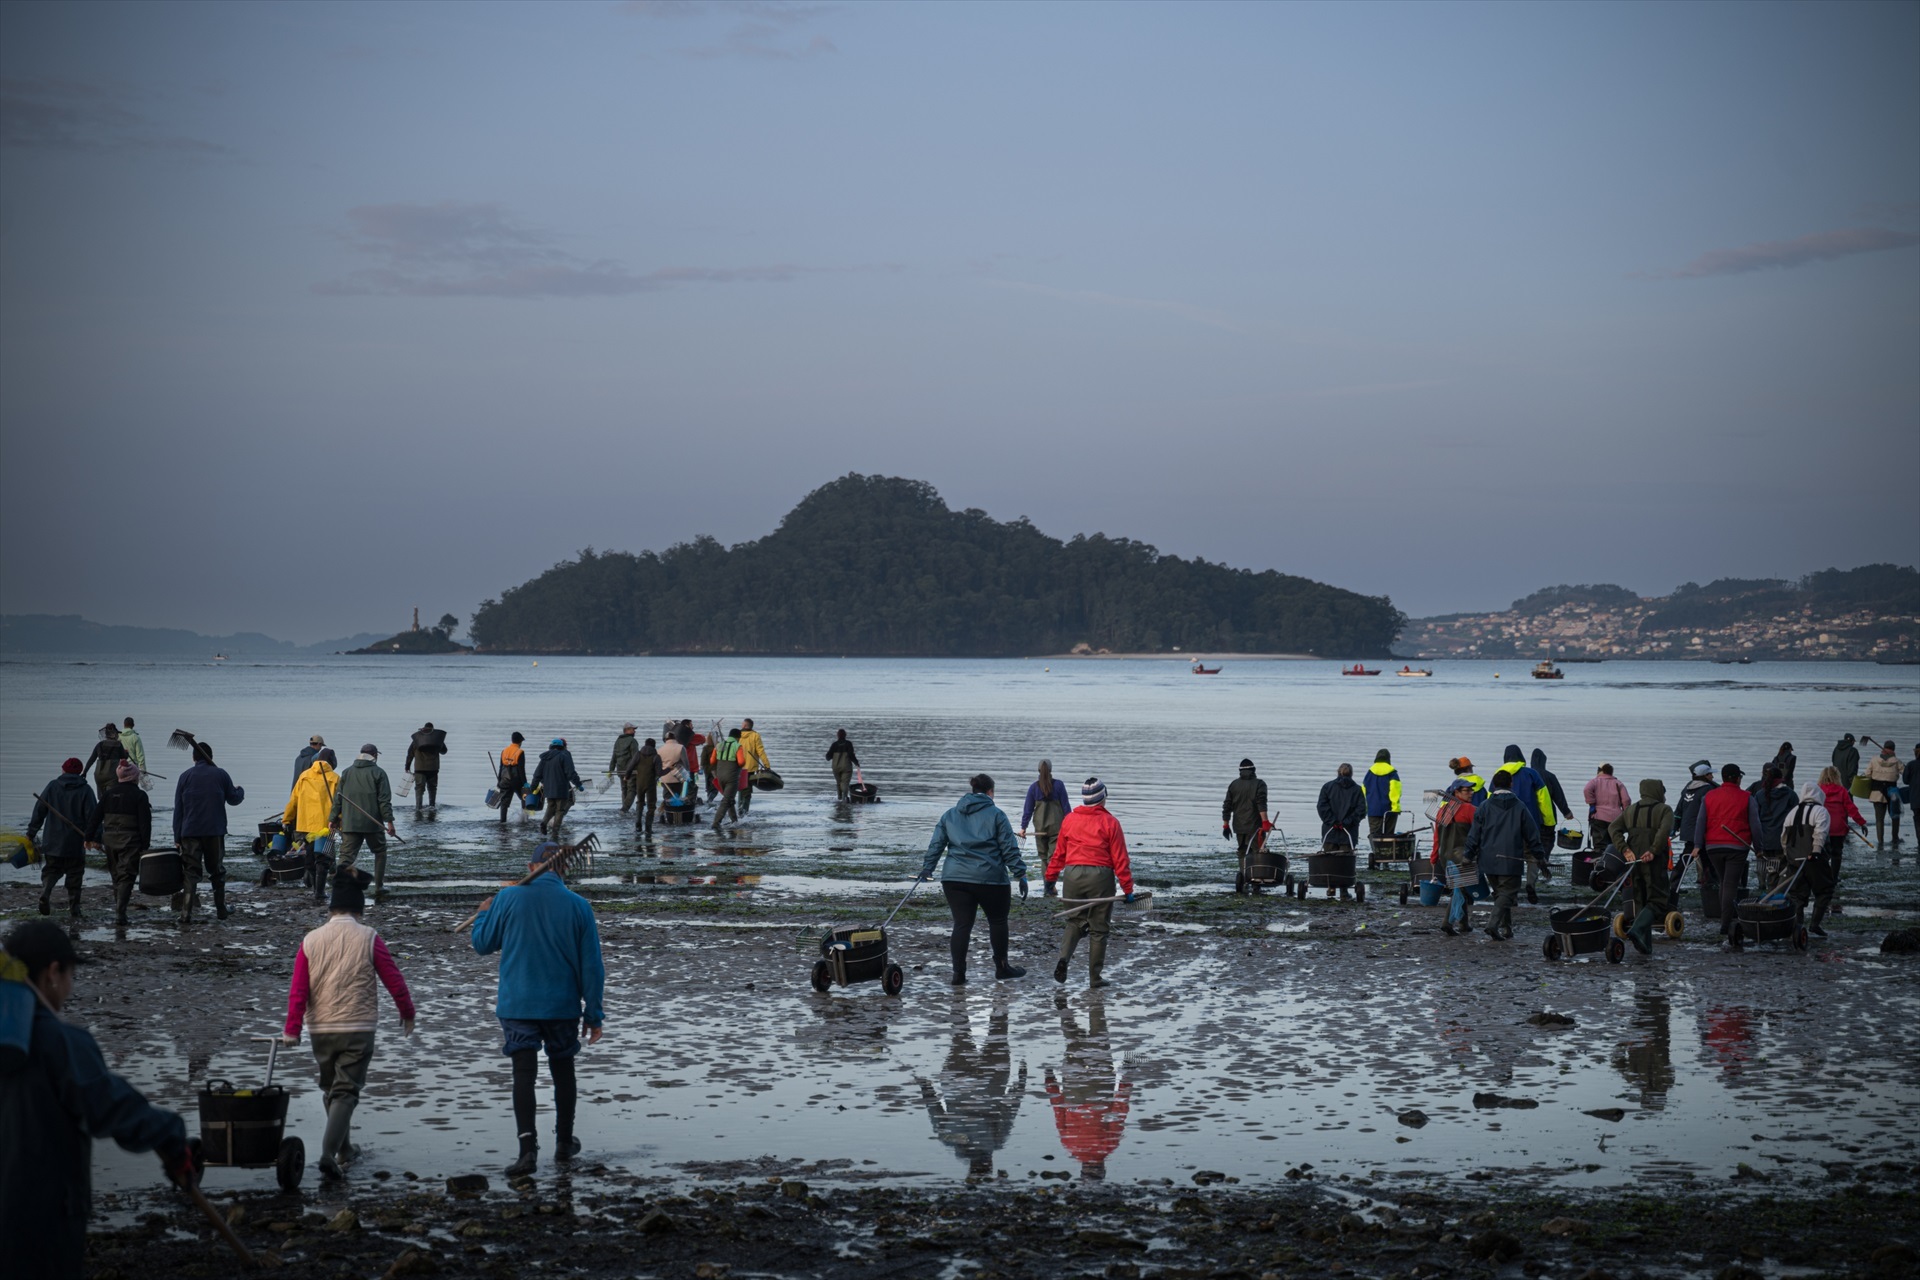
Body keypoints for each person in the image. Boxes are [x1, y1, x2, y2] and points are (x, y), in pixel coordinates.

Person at [1, 921, 199, 1280]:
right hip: (43, 1213)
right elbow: (111, 1107)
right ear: (53, 972)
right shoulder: (61, 1041)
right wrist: (172, 1136)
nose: (70, 986)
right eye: (71, 974)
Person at [470, 845, 607, 1177]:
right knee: (563, 1071)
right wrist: (593, 1014)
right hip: (561, 1005)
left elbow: (482, 944)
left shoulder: (508, 898)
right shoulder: (578, 905)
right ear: (564, 868)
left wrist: (484, 912)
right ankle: (564, 1142)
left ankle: (527, 1151)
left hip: (518, 1003)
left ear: (531, 866)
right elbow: (592, 967)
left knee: (524, 1074)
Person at [282, 867, 415, 1180]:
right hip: (358, 1026)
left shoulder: (311, 940)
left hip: (321, 1028)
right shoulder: (368, 937)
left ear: (332, 908)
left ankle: (345, 1150)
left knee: (331, 1089)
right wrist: (407, 1011)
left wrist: (292, 1028)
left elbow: (299, 990)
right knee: (345, 1092)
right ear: (359, 909)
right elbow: (393, 978)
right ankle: (329, 1154)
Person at [923, 774, 1030, 985]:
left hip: (954, 879)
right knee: (997, 921)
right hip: (991, 879)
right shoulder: (997, 815)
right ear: (990, 792)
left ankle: (958, 974)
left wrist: (928, 868)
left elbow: (936, 844)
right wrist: (1020, 874)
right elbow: (1009, 848)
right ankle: (1002, 968)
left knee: (962, 924)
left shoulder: (950, 814)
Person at [1045, 778, 1136, 988]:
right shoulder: (1110, 822)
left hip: (1073, 875)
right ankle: (1095, 978)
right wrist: (1127, 889)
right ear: (1103, 798)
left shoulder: (1069, 819)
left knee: (1075, 921)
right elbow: (1120, 859)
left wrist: (1050, 878)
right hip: (1100, 877)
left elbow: (1059, 854)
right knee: (1098, 928)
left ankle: (1063, 959)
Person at [1044, 998, 1131, 1182]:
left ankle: (1095, 1002)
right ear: (1083, 1168)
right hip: (1073, 1095)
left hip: (1099, 1092)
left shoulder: (1108, 1146)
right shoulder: (1069, 1145)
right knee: (1073, 1043)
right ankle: (1064, 1012)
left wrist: (1126, 1083)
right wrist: (1051, 1083)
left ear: (1102, 1169)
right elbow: (1058, 1112)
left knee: (1099, 1037)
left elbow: (1119, 1112)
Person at [1462, 768, 1545, 941]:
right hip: (1511, 858)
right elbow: (1532, 835)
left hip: (1488, 859)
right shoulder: (1520, 807)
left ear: (1494, 785)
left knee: (1501, 893)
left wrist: (1468, 854)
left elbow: (1474, 834)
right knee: (1507, 893)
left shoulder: (1484, 806)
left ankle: (1507, 928)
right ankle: (1492, 925)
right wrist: (1539, 855)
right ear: (1511, 784)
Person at [1693, 763, 1763, 947]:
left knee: (1724, 881)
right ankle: (1725, 924)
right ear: (1737, 778)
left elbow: (1700, 822)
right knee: (1730, 883)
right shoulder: (1747, 797)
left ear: (1723, 778)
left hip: (1713, 846)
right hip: (1737, 847)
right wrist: (1759, 848)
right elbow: (1756, 825)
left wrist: (1698, 845)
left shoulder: (1709, 796)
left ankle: (1726, 918)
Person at [173, 741, 243, 922]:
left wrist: (177, 836)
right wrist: (240, 790)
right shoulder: (220, 774)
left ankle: (185, 913)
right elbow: (234, 799)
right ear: (211, 757)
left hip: (190, 831)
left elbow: (178, 809)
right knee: (217, 871)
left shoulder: (185, 776)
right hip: (214, 831)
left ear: (193, 758)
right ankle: (221, 910)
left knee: (191, 873)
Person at [1609, 778, 1675, 955]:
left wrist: (1624, 849)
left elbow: (1613, 828)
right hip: (1654, 861)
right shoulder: (1665, 809)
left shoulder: (1630, 810)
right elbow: (1664, 831)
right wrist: (1653, 850)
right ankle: (1637, 931)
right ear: (1657, 791)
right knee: (1658, 900)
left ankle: (1644, 945)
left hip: (1633, 861)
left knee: (1640, 899)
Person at [28, 758, 99, 919]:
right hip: (75, 843)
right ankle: (75, 910)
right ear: (79, 772)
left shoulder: (53, 786)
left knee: (51, 871)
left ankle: (46, 891)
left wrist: (31, 833)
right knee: (75, 876)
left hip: (53, 842)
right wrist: (95, 838)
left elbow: (39, 811)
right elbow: (93, 817)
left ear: (64, 770)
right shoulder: (86, 790)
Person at [329, 744, 397, 896]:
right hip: (372, 824)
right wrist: (389, 822)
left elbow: (338, 799)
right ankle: (379, 887)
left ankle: (338, 888)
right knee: (380, 852)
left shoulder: (347, 772)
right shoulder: (379, 773)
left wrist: (332, 818)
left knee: (345, 857)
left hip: (350, 823)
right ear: (375, 755)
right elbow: (384, 801)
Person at [93, 759, 151, 927]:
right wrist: (145, 845)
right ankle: (120, 912)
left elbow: (95, 817)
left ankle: (119, 909)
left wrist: (91, 838)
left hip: (110, 839)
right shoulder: (140, 796)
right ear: (133, 777)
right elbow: (145, 823)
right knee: (127, 875)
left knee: (116, 875)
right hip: (131, 840)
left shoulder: (108, 794)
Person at [1497, 746, 1553, 903]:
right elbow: (1544, 800)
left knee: (1512, 856)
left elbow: (1491, 801)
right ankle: (1530, 884)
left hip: (1507, 827)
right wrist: (1548, 822)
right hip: (1531, 823)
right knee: (1532, 855)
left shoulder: (1499, 775)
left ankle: (1512, 893)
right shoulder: (1531, 774)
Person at [285, 747, 341, 903]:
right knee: (324, 858)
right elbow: (340, 803)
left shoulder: (304, 776)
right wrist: (341, 823)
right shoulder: (335, 778)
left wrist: (286, 819)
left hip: (306, 824)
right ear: (332, 761)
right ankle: (320, 892)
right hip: (327, 827)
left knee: (310, 857)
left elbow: (293, 801)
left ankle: (315, 888)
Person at [1431, 777, 1482, 936]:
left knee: (1460, 888)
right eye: (1467, 790)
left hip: (1446, 857)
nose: (1471, 793)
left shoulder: (1442, 810)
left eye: (1471, 790)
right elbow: (1479, 834)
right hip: (1463, 856)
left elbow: (1437, 837)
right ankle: (1447, 922)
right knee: (1461, 889)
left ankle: (1464, 924)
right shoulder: (1470, 810)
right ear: (1456, 792)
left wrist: (1434, 856)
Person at [1781, 783, 1834, 937]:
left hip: (1794, 859)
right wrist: (1816, 851)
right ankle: (1814, 925)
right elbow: (1820, 833)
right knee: (1825, 890)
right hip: (1813, 859)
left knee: (1797, 895)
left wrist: (1788, 855)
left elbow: (1784, 838)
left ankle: (1798, 928)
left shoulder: (1792, 812)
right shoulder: (1821, 811)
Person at [1815, 764, 1868, 913]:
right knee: (1837, 854)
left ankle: (1824, 878)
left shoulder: (1818, 790)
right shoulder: (1842, 791)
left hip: (1823, 826)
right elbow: (1851, 809)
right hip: (1839, 827)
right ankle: (1834, 878)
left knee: (1823, 854)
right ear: (1837, 777)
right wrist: (1861, 822)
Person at [1674, 759, 1717, 920]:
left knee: (1693, 857)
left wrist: (1675, 825)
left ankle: (1674, 884)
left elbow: (1679, 810)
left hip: (1687, 830)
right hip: (1701, 832)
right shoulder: (1708, 790)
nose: (1712, 776)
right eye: (1710, 774)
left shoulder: (1687, 788)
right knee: (1703, 859)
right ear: (1705, 776)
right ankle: (1712, 887)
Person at [1222, 758, 1270, 887]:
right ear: (1254, 770)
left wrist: (1225, 824)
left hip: (1239, 826)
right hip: (1256, 827)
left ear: (1240, 771)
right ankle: (1256, 880)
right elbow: (1261, 804)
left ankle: (1243, 878)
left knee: (1242, 851)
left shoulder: (1233, 785)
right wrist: (1265, 822)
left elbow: (1227, 806)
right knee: (1258, 852)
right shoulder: (1260, 784)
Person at [1750, 763, 1797, 889]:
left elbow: (1755, 818)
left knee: (1767, 865)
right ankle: (1776, 890)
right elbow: (1796, 816)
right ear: (1781, 778)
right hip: (1783, 838)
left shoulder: (1760, 794)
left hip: (1765, 839)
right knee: (1781, 868)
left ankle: (1763, 886)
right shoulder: (1790, 794)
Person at [1021, 760, 1071, 868]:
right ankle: (1051, 878)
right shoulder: (1059, 785)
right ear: (1051, 770)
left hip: (1040, 829)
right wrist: (1070, 826)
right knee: (1053, 858)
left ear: (1038, 770)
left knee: (1044, 859)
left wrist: (1023, 827)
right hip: (1056, 830)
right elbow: (1066, 808)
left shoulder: (1033, 788)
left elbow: (1028, 810)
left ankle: (1046, 879)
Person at [534, 738, 585, 836]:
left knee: (550, 806)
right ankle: (555, 832)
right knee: (560, 810)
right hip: (561, 788)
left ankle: (544, 822)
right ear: (563, 746)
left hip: (549, 788)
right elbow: (570, 772)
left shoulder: (545, 757)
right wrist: (578, 784)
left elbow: (537, 774)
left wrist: (534, 786)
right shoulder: (564, 755)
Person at [1583, 763, 1632, 866]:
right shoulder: (1618, 783)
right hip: (1616, 819)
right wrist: (1625, 811)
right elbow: (1626, 800)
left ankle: (1599, 866)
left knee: (1600, 845)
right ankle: (1612, 865)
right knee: (1615, 845)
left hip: (1598, 817)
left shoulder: (1595, 781)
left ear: (1601, 771)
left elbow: (1586, 789)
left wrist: (1591, 802)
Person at [1317, 763, 1366, 851]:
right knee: (1346, 858)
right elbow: (1361, 810)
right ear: (1351, 774)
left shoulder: (1327, 787)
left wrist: (1333, 822)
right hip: (1349, 833)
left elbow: (1322, 807)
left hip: (1330, 832)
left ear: (1338, 772)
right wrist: (1347, 822)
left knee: (1328, 858)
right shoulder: (1357, 790)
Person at [1864, 739, 1903, 848]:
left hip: (1877, 793)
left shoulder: (1874, 760)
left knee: (1879, 819)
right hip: (1892, 793)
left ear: (1883, 748)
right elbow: (1905, 773)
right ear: (1893, 750)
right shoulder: (1897, 761)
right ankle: (1895, 839)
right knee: (1895, 816)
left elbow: (1867, 774)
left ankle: (1880, 841)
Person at [82, 723, 129, 802]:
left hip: (99, 775)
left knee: (101, 800)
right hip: (112, 775)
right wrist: (127, 753)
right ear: (115, 734)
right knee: (112, 799)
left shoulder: (99, 745)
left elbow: (91, 760)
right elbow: (124, 757)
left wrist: (84, 772)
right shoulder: (118, 745)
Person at [710, 727, 745, 830]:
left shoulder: (719, 745)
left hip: (720, 776)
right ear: (738, 737)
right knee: (726, 800)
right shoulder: (738, 746)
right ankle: (716, 823)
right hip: (731, 777)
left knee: (729, 798)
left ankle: (734, 821)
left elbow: (712, 761)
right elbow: (741, 762)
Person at [405, 722, 446, 810]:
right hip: (433, 769)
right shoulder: (437, 739)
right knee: (432, 788)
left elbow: (410, 754)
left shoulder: (417, 739)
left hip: (419, 769)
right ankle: (432, 806)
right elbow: (444, 751)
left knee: (419, 789)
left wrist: (407, 767)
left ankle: (418, 807)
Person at [1363, 749, 1402, 840]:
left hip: (1373, 810)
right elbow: (1395, 793)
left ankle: (1376, 848)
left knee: (1375, 837)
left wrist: (1365, 808)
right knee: (1389, 837)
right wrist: (1395, 809)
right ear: (1388, 759)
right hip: (1389, 810)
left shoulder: (1369, 773)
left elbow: (1363, 791)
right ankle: (1388, 849)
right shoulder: (1392, 773)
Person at [625, 738, 660, 833]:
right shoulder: (656, 757)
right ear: (654, 746)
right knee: (651, 806)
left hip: (639, 784)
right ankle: (648, 828)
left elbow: (630, 767)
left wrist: (627, 776)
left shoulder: (638, 754)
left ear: (645, 744)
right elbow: (659, 773)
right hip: (651, 784)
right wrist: (669, 769)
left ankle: (638, 825)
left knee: (640, 802)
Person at [736, 719, 771, 815]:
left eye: (742, 724)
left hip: (738, 767)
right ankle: (744, 812)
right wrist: (767, 765)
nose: (741, 725)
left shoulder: (737, 735)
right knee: (747, 790)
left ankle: (739, 810)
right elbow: (760, 751)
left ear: (745, 725)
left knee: (740, 789)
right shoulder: (755, 735)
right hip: (750, 768)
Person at [496, 732, 529, 824]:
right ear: (520, 741)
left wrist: (499, 781)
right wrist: (525, 783)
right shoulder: (520, 752)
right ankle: (525, 820)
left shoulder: (504, 751)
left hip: (505, 779)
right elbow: (521, 769)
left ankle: (502, 821)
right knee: (525, 798)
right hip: (516, 780)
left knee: (504, 802)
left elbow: (501, 767)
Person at [609, 725, 640, 814]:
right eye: (633, 729)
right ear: (627, 730)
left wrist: (611, 770)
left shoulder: (618, 741)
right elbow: (636, 757)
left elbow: (614, 756)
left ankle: (624, 809)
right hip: (631, 771)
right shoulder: (632, 741)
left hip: (620, 770)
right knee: (632, 789)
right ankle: (624, 809)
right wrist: (640, 769)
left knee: (624, 789)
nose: (635, 731)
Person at [826, 729, 859, 800]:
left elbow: (828, 757)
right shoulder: (848, 744)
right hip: (846, 766)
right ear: (845, 735)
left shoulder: (834, 745)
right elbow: (851, 755)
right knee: (845, 783)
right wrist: (856, 763)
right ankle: (845, 798)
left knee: (838, 782)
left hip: (836, 767)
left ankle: (839, 798)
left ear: (837, 735)